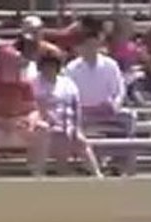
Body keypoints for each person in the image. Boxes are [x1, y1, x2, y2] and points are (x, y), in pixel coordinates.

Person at [0, 44, 49, 176]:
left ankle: (37, 172)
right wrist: (4, 122)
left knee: (42, 128)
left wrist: (31, 121)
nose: (16, 67)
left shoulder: (24, 82)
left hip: (16, 122)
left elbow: (33, 109)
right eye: (12, 63)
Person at [34, 46, 102, 177]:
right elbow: (36, 107)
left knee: (81, 142)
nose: (49, 69)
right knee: (51, 137)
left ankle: (97, 175)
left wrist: (75, 128)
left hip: (68, 125)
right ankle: (39, 175)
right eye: (46, 66)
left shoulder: (67, 84)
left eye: (53, 65)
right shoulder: (35, 84)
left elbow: (76, 106)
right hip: (45, 126)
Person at [65, 15, 134, 136]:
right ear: (81, 47)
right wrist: (81, 108)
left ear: (98, 44)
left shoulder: (110, 64)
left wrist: (114, 105)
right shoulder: (71, 68)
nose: (90, 48)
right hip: (83, 113)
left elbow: (119, 91)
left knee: (129, 117)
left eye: (93, 44)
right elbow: (68, 95)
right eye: (87, 45)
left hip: (106, 112)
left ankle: (124, 154)